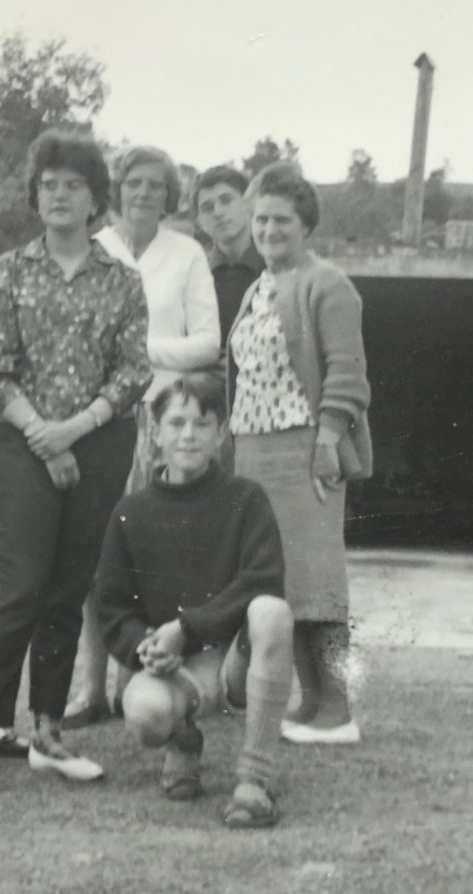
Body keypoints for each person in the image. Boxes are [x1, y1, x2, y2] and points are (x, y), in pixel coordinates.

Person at [0, 130, 151, 798]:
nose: (59, 196)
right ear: (35, 196)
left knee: (67, 589)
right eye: (48, 185)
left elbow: (134, 370)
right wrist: (43, 436)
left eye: (73, 185)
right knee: (22, 589)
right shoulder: (12, 269)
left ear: (96, 199)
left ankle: (48, 732)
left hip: (99, 441)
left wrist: (76, 430)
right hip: (21, 445)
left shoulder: (123, 279)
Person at [64, 145, 220, 729]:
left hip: (164, 420)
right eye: (134, 181)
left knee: (151, 555)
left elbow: (207, 342)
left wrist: (140, 355)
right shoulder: (94, 247)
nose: (144, 192)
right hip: (101, 419)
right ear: (117, 187)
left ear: (170, 195)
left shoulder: (187, 254)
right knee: (94, 553)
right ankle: (90, 688)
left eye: (157, 185)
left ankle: (138, 679)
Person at [96, 375, 293, 828]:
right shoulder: (131, 512)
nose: (188, 434)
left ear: (221, 434)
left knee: (272, 611)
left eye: (202, 424)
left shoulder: (246, 499)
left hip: (237, 660)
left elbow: (262, 579)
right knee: (145, 713)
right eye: (177, 422)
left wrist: (185, 628)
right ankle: (183, 744)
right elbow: (112, 608)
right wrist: (145, 645)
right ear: (155, 432)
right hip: (177, 666)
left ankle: (254, 781)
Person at [228, 161, 372, 745]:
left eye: (281, 219)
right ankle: (309, 703)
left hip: (305, 449)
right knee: (282, 582)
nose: (268, 229)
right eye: (260, 219)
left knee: (319, 580)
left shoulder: (328, 283)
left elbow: (347, 373)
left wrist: (329, 442)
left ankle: (336, 709)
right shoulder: (257, 285)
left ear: (305, 224)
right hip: (253, 452)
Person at [194, 165, 265, 350]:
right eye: (207, 207)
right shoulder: (195, 278)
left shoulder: (275, 268)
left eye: (226, 200)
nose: (217, 212)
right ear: (200, 222)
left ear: (249, 204)